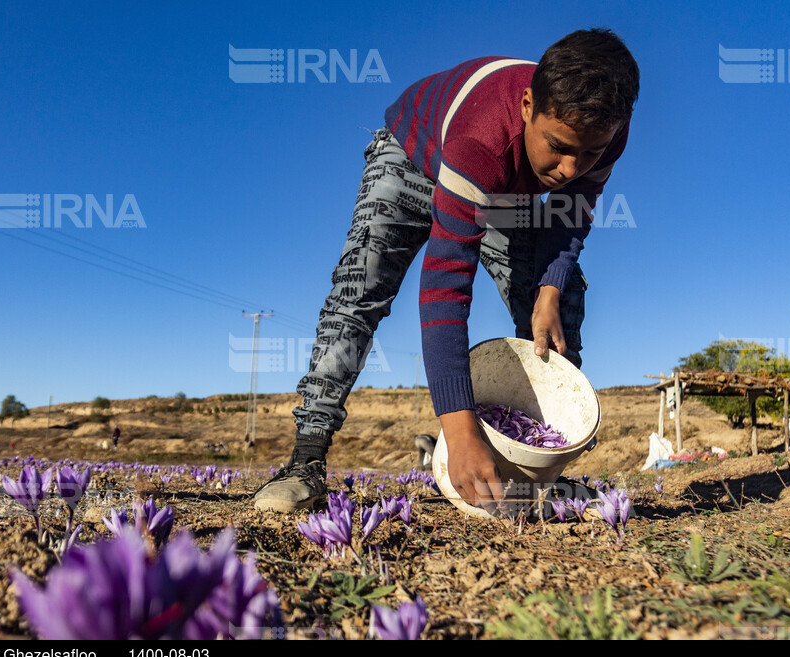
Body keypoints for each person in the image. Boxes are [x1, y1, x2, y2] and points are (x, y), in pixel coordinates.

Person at [254, 28, 640, 513]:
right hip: (413, 159)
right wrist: (459, 431)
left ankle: (536, 469)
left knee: (563, 294)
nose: (569, 168)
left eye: (589, 153)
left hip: (504, 190)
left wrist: (548, 290)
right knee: (359, 291)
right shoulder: (481, 139)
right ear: (526, 106)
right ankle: (305, 460)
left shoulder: (607, 131)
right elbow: (445, 285)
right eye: (558, 146)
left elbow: (570, 216)